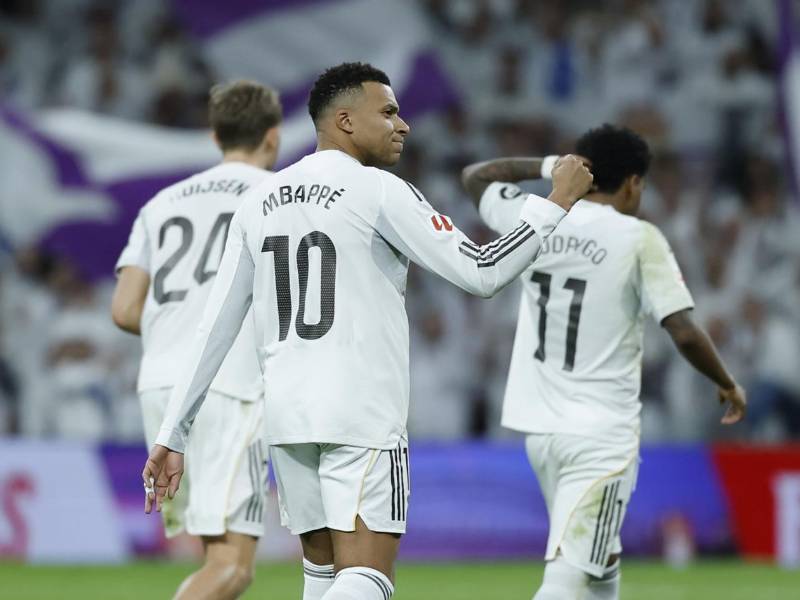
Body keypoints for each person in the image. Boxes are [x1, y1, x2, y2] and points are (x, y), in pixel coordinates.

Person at [141, 62, 592, 600]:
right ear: (346, 121)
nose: (403, 125)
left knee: (325, 576)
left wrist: (174, 432)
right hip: (361, 411)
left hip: (286, 416)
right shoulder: (378, 189)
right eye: (389, 112)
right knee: (368, 577)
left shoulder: (260, 200)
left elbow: (213, 327)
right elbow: (483, 270)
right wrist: (556, 202)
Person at [461, 124, 746, 600]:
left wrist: (552, 168)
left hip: (541, 432)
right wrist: (727, 381)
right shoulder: (639, 237)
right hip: (599, 435)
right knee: (569, 575)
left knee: (600, 560)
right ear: (634, 182)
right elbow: (682, 329)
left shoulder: (538, 216)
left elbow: (475, 177)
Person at [111, 80, 282, 600]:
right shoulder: (276, 196)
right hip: (228, 385)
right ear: (273, 139)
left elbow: (123, 309)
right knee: (233, 566)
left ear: (215, 136)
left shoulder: (161, 203)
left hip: (161, 387)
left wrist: (178, 328)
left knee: (214, 554)